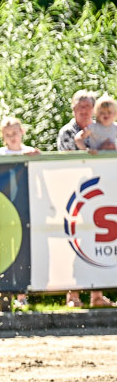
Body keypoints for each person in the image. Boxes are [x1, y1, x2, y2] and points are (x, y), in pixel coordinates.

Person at [56, 91, 113, 307]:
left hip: (100, 195)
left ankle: (96, 296)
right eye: (80, 106)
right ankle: (73, 295)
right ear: (73, 109)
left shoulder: (102, 129)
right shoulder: (67, 132)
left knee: (96, 243)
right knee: (74, 243)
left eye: (88, 106)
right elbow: (71, 159)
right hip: (74, 195)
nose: (84, 110)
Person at [0, 117, 38, 309]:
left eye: (15, 133)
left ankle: (21, 295)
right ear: (3, 137)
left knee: (23, 253)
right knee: (4, 254)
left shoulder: (29, 152)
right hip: (4, 211)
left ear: (22, 133)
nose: (12, 137)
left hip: (25, 212)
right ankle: (4, 297)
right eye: (7, 134)